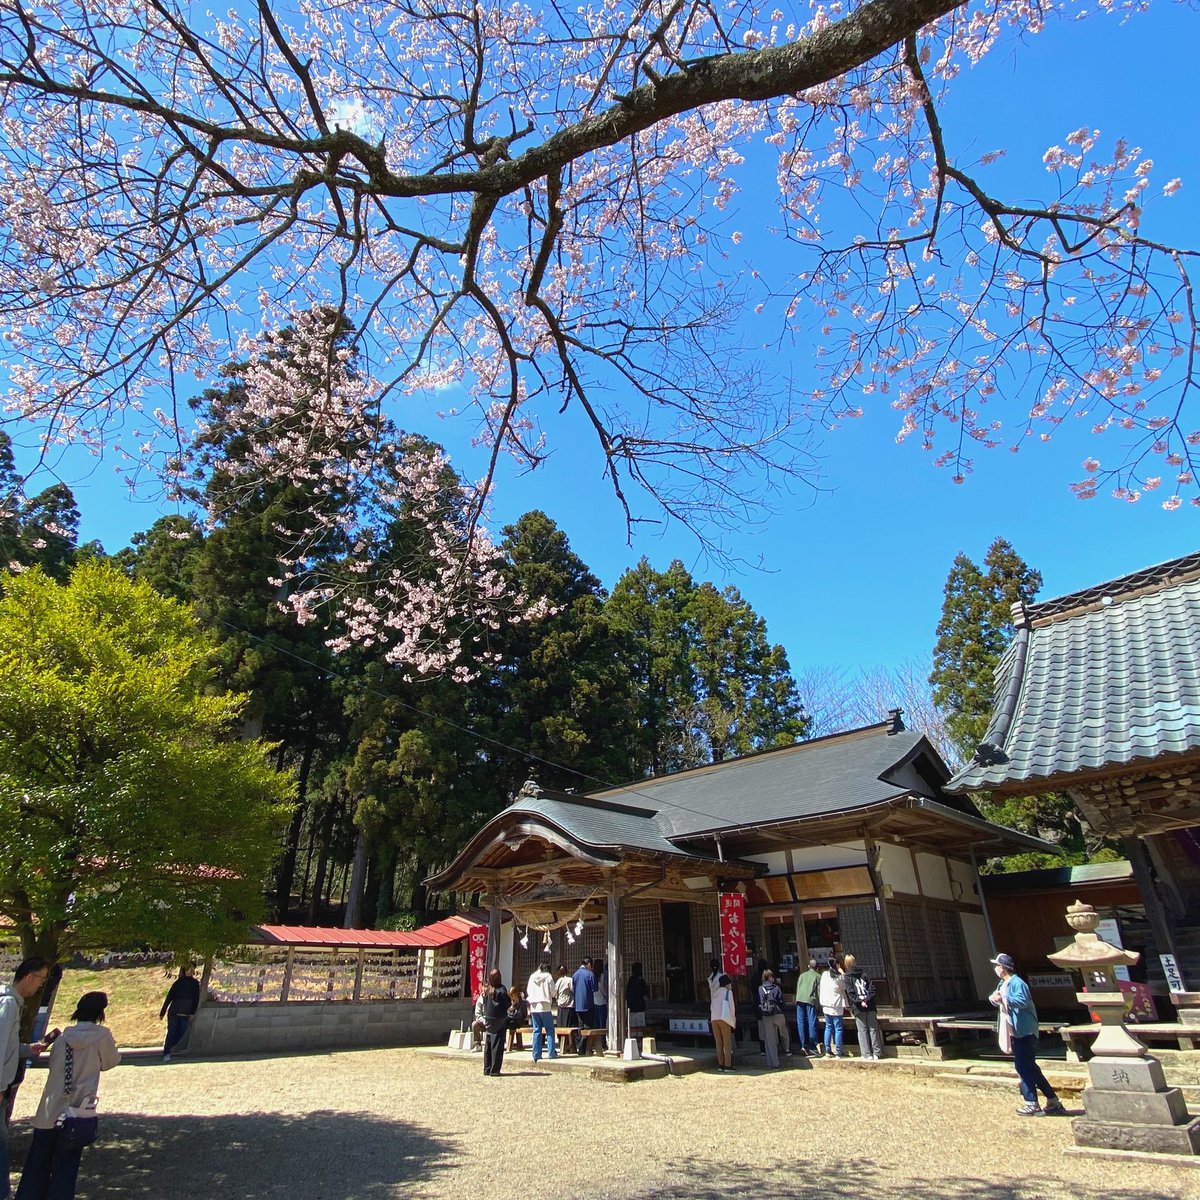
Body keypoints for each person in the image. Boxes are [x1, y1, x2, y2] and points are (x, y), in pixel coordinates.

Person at [15, 991, 119, 1200]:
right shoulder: (102, 1036)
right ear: (101, 1012)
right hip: (77, 1110)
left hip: (50, 1107)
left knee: (37, 1163)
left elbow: (54, 1066)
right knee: (67, 1165)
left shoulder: (62, 1038)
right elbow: (110, 1062)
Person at [988, 952, 1066, 1116]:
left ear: (1002, 968)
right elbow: (997, 997)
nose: (995, 968)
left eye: (997, 965)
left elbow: (1022, 1001)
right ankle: (1053, 1101)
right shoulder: (1003, 983)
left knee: (1023, 1066)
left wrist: (1003, 999)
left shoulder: (1018, 983)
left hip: (1026, 1029)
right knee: (1030, 1066)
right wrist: (994, 998)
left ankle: (1031, 1102)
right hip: (1014, 1029)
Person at [0, 958, 52, 1200]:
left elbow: (7, 1045)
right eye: (41, 979)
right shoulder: (8, 1004)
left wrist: (27, 1049)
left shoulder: (11, 1003)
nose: (40, 986)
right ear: (30, 976)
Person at [844, 954, 883, 1061]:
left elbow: (851, 993)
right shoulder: (864, 974)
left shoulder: (847, 977)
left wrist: (860, 1001)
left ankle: (866, 1054)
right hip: (870, 1004)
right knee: (873, 1029)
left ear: (846, 964)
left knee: (862, 1030)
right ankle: (877, 1053)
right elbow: (871, 988)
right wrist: (866, 999)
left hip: (858, 1006)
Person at [158, 964, 200, 1062]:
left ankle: (170, 1047)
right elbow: (169, 997)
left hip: (186, 1014)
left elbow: (196, 999)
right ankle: (167, 1052)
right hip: (174, 1012)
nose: (191, 971)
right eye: (189, 969)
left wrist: (193, 1012)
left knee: (181, 1032)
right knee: (171, 1032)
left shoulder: (195, 984)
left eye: (192, 969)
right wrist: (162, 1012)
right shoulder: (178, 983)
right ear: (184, 970)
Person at [480, 969, 511, 1076]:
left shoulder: (487, 990)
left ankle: (487, 1068)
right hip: (499, 1020)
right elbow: (507, 1003)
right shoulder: (501, 990)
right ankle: (495, 1070)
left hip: (488, 1019)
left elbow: (484, 1002)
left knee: (488, 1045)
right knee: (497, 1046)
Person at [526, 958, 558, 1063]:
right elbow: (553, 991)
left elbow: (528, 991)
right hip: (545, 1006)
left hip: (534, 1006)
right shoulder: (548, 977)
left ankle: (536, 1053)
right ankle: (551, 1052)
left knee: (536, 1030)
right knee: (549, 1029)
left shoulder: (532, 977)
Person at [757, 969, 789, 1068]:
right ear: (770, 977)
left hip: (766, 1015)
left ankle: (773, 1063)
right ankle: (787, 1049)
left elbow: (761, 1001)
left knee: (769, 1039)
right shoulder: (776, 988)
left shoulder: (761, 988)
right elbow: (781, 1000)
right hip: (778, 1013)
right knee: (784, 1031)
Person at [819, 956, 847, 1057]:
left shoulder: (824, 974)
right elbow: (844, 986)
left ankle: (828, 1050)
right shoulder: (838, 977)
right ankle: (839, 1051)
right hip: (836, 1005)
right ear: (837, 965)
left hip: (826, 1005)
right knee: (838, 1028)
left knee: (828, 1027)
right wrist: (842, 972)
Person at [709, 973, 737, 1071]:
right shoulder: (728, 992)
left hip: (714, 1019)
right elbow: (732, 1007)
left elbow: (711, 1007)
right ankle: (728, 1065)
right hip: (724, 1018)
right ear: (727, 984)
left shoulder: (715, 993)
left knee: (718, 1043)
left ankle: (720, 1064)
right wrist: (733, 1021)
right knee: (727, 1043)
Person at [794, 956, 821, 1055]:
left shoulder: (801, 975)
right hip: (810, 999)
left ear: (809, 966)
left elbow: (798, 987)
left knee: (800, 1022)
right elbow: (819, 991)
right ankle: (812, 1046)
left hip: (799, 998)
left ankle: (802, 1045)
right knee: (811, 1022)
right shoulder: (818, 976)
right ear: (817, 967)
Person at [571, 957, 596, 1052]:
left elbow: (573, 988)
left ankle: (580, 1045)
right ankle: (584, 1047)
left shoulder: (575, 974)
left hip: (578, 1005)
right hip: (588, 1004)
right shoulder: (590, 974)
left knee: (580, 1025)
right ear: (589, 964)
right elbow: (595, 988)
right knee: (588, 1026)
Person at [626, 963, 651, 1040]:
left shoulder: (631, 980)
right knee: (640, 1024)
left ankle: (634, 1039)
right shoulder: (641, 981)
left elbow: (627, 992)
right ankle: (640, 1039)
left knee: (633, 1025)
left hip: (632, 1006)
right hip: (640, 1006)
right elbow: (645, 992)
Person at [553, 964, 575, 1036]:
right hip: (569, 1005)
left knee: (561, 1024)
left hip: (560, 1005)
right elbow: (573, 990)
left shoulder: (558, 981)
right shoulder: (570, 980)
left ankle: (561, 1039)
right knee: (568, 1025)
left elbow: (555, 993)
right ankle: (568, 1041)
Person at [504, 985, 528, 1051]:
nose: (511, 997)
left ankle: (511, 1045)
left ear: (516, 994)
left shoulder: (521, 1002)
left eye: (512, 995)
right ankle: (502, 1042)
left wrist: (513, 1008)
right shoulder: (510, 1001)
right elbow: (507, 1011)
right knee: (503, 1023)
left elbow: (520, 1015)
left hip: (519, 1021)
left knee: (510, 1023)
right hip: (511, 1019)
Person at [592, 961, 608, 1047]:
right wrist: (606, 996)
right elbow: (603, 988)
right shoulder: (602, 976)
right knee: (602, 1025)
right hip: (602, 1002)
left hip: (594, 1002)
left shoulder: (592, 976)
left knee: (595, 1024)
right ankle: (603, 1043)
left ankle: (595, 1043)